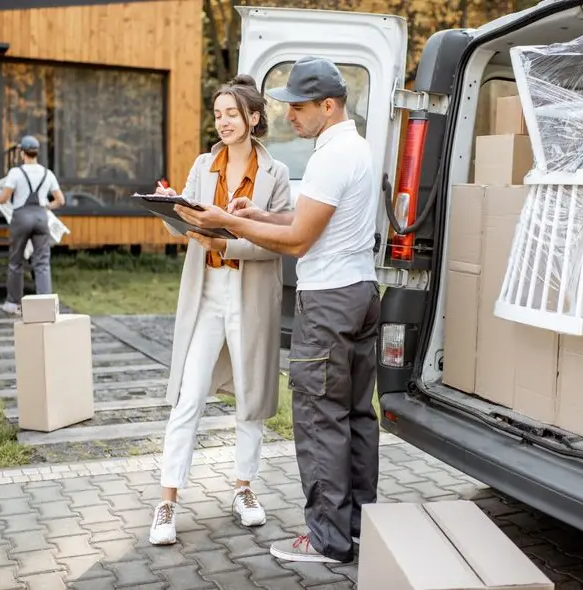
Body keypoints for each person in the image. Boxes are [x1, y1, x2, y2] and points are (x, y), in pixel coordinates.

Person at [174, 57, 380, 564]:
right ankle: (357, 527)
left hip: (328, 303)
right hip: (359, 293)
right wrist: (261, 213)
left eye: (299, 108)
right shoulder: (354, 147)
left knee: (319, 421)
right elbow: (306, 218)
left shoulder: (331, 156)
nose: (289, 115)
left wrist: (228, 221)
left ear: (328, 105)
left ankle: (327, 540)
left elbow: (298, 239)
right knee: (355, 416)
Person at [147, 75, 293, 546]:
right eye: (218, 113)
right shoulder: (203, 165)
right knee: (189, 397)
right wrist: (172, 208)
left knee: (250, 399)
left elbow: (278, 244)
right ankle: (167, 501)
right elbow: (184, 226)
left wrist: (227, 244)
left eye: (232, 113)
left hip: (250, 297)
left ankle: (244, 489)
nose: (223, 121)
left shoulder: (278, 175)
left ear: (253, 118)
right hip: (206, 295)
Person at [0, 135, 66, 315]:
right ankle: (45, 305)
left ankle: (13, 304)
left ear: (22, 153)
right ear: (37, 153)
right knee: (42, 262)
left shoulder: (16, 173)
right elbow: (60, 200)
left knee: (16, 262)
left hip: (21, 218)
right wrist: (44, 207)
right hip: (41, 218)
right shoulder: (47, 173)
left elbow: (3, 199)